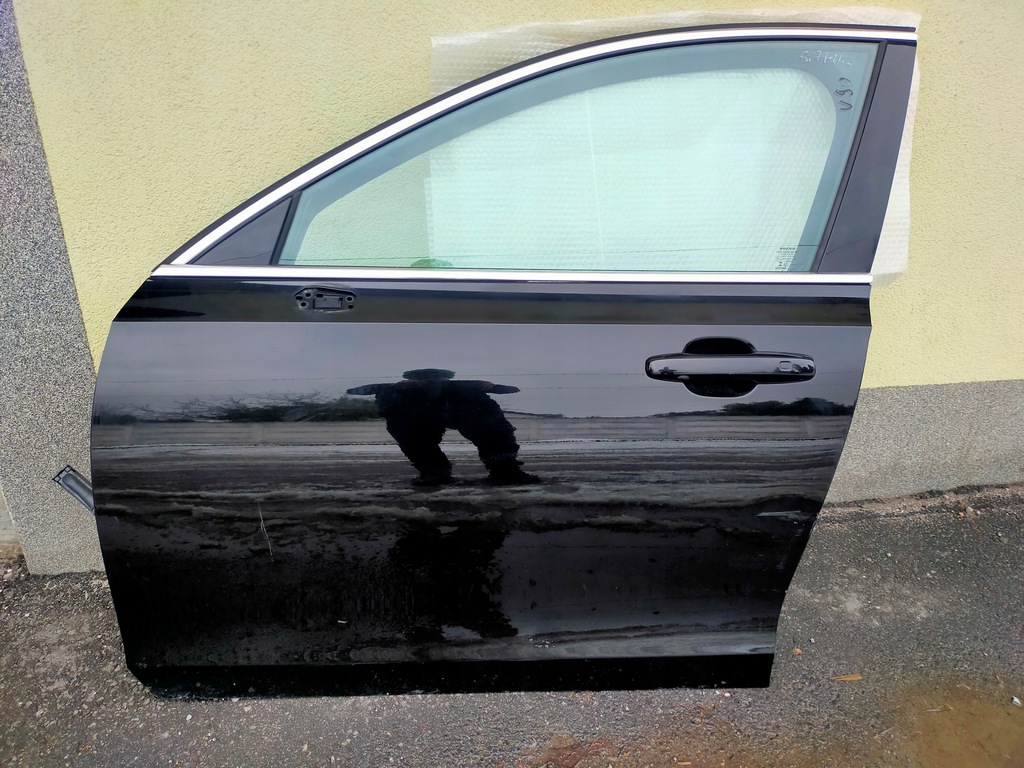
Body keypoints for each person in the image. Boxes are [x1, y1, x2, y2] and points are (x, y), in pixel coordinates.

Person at [347, 368, 540, 486]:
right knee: (414, 438)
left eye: (434, 377)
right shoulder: (398, 392)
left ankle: (503, 470)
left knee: (494, 432)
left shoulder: (467, 391)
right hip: (415, 413)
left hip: (463, 408)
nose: (431, 380)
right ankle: (435, 471)